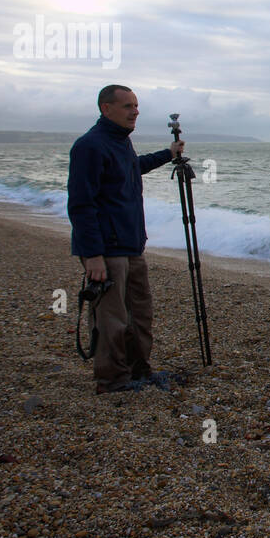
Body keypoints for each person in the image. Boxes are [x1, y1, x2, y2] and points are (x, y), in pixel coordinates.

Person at [67, 84, 183, 394]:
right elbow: (81, 204)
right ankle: (112, 379)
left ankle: (138, 369)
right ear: (106, 108)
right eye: (128, 106)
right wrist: (92, 255)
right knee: (112, 316)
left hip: (132, 244)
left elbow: (135, 167)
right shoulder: (90, 146)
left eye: (136, 105)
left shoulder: (120, 143)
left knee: (140, 312)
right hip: (106, 248)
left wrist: (168, 155)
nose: (136, 111)